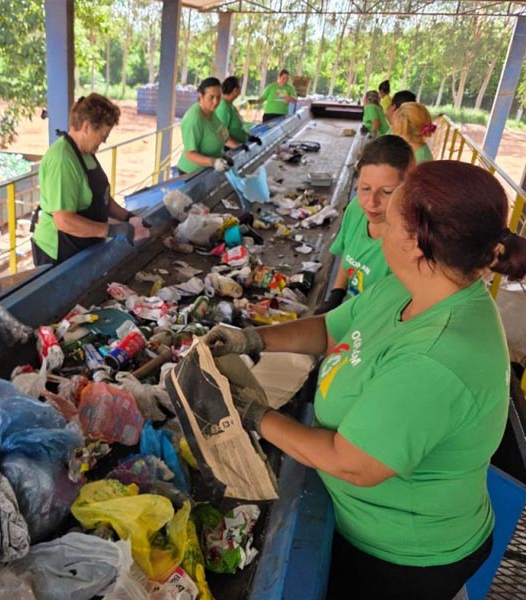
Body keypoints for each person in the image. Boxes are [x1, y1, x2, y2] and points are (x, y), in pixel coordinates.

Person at [204, 160, 526, 600]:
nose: (376, 221)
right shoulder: (414, 285)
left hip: (403, 557)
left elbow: (352, 462)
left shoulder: (438, 357)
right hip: (369, 521)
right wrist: (250, 339)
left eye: (389, 217)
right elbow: (330, 328)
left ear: (416, 242)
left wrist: (253, 415)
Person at [31, 94, 149, 266]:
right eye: (103, 134)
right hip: (58, 253)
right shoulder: (63, 160)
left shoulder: (86, 153)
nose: (104, 140)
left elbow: (101, 199)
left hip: (82, 245)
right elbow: (64, 220)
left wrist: (128, 217)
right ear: (86, 127)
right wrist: (111, 229)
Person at [316, 135, 414, 313]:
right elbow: (348, 257)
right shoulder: (356, 210)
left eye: (386, 192)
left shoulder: (412, 241)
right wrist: (336, 296)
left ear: (407, 189)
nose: (371, 202)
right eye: (365, 188)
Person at [177, 77, 241, 175]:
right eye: (211, 97)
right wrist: (214, 162)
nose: (215, 102)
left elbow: (219, 134)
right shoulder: (194, 119)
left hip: (206, 170)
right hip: (191, 173)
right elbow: (190, 154)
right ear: (201, 96)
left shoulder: (211, 111)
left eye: (218, 97)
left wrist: (223, 156)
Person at [215, 76, 261, 146]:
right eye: (240, 88)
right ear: (235, 90)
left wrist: (249, 137)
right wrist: (236, 146)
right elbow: (220, 133)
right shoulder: (223, 106)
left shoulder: (229, 105)